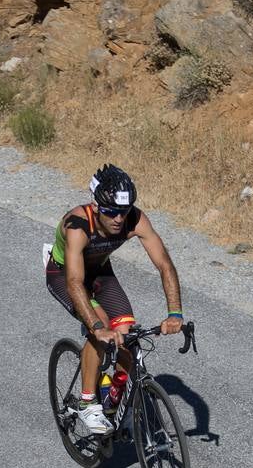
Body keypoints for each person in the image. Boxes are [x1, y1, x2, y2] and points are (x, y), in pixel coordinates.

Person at [45, 164, 185, 434]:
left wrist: (175, 313)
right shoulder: (77, 224)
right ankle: (87, 402)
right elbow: (75, 283)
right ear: (96, 206)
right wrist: (98, 328)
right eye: (111, 212)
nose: (119, 219)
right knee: (102, 326)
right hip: (65, 275)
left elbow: (165, 265)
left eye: (124, 211)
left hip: (100, 272)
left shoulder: (135, 219)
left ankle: (114, 397)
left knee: (127, 334)